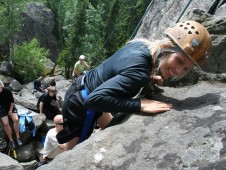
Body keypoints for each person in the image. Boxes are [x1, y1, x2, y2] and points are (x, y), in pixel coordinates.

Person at [57, 20, 212, 150]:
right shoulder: (140, 72)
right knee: (74, 150)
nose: (178, 71)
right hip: (81, 105)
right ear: (167, 47)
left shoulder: (143, 45)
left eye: (186, 68)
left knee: (111, 127)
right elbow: (93, 99)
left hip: (82, 88)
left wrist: (149, 77)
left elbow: (124, 70)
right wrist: (138, 104)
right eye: (179, 60)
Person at [0, 80, 22, 149]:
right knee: (6, 123)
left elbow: (12, 101)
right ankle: (11, 140)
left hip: (10, 106)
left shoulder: (7, 90)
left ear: (1, 85)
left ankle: (18, 137)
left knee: (15, 119)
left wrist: (10, 110)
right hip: (2, 108)